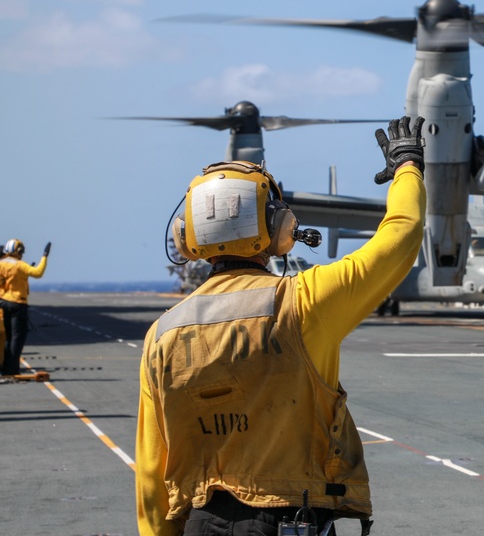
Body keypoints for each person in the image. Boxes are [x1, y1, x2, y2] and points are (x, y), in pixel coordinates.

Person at [135, 116, 427, 536]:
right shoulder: (305, 301)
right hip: (292, 521)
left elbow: (151, 469)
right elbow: (401, 236)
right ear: (280, 229)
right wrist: (407, 169)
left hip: (199, 523)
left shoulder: (161, 334)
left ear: (188, 238)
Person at [0, 238, 50, 377]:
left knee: (8, 338)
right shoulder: (20, 265)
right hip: (18, 304)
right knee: (18, 338)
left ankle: (5, 368)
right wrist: (44, 256)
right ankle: (13, 370)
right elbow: (38, 273)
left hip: (4, 302)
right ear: (18, 251)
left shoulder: (1, 264)